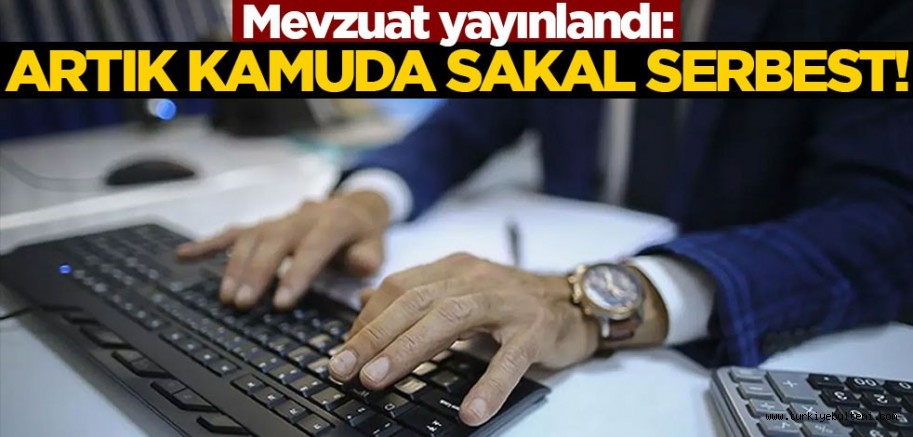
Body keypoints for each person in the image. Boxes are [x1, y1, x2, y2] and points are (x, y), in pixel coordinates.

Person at [177, 0, 913, 427]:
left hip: (748, 344)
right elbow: (468, 118)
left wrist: (598, 298)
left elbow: (885, 216)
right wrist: (368, 197)